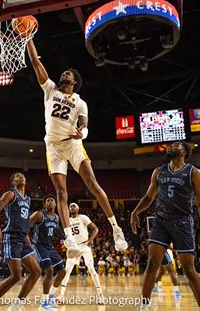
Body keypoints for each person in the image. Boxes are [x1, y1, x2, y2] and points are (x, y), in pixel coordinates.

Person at [26, 39, 128, 258]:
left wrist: (83, 132)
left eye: (68, 74)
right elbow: (35, 62)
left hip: (73, 144)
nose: (64, 74)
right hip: (53, 148)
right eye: (63, 73)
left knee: (92, 183)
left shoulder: (80, 102)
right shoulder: (50, 89)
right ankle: (69, 239)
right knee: (61, 193)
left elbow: (84, 125)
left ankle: (116, 229)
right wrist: (29, 38)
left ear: (74, 81)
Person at [130, 141, 200, 311]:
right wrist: (135, 212)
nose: (171, 146)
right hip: (161, 221)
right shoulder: (159, 172)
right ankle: (144, 306)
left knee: (188, 269)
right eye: (171, 146)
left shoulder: (194, 173)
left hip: (183, 222)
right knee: (152, 263)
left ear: (184, 153)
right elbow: (148, 197)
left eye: (176, 145)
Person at [0, 172, 41, 311]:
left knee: (36, 271)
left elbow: (24, 223)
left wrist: (27, 239)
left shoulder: (27, 199)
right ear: (13, 182)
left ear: (26, 180)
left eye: (22, 175)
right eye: (16, 176)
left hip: (23, 238)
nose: (20, 177)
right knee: (16, 276)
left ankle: (17, 303)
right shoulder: (10, 194)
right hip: (11, 237)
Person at [57, 203, 105, 303]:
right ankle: (61, 295)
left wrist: (91, 239)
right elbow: (65, 236)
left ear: (78, 209)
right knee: (67, 270)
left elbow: (95, 229)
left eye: (74, 206)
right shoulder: (67, 221)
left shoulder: (83, 217)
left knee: (91, 269)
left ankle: (101, 295)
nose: (72, 207)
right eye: (70, 207)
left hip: (85, 245)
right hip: (74, 247)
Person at [30, 195, 66, 310]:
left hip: (50, 247)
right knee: (49, 270)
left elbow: (57, 230)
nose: (50, 202)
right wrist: (25, 241)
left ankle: (51, 297)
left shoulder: (56, 217)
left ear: (55, 204)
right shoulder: (39, 214)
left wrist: (65, 238)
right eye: (47, 201)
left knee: (62, 272)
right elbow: (26, 225)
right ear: (44, 204)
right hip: (39, 246)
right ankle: (44, 304)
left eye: (52, 200)